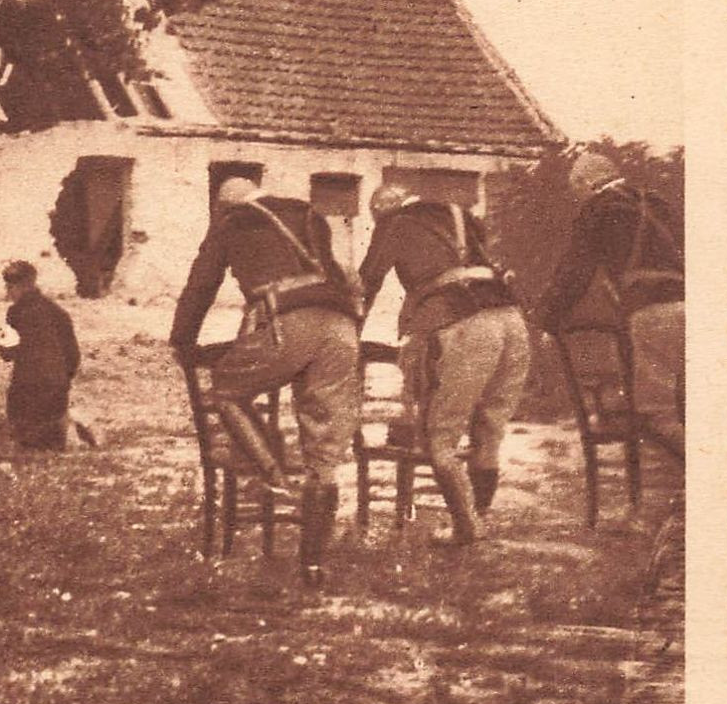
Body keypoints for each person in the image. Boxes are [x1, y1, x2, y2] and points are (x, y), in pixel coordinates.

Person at [169, 176, 361, 587]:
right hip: (342, 326)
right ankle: (312, 565)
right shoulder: (309, 215)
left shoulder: (231, 223)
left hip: (287, 321)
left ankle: (272, 476)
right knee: (324, 455)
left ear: (226, 205)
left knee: (227, 390)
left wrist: (182, 340)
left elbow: (201, 285)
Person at [358, 182, 531, 547]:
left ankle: (467, 529)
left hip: (465, 322)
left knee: (441, 438)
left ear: (382, 210)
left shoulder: (395, 223)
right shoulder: (460, 215)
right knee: (490, 432)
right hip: (512, 319)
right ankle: (476, 521)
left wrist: (351, 330)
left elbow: (368, 281)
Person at [537, 151, 684, 459]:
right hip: (692, 309)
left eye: (575, 190)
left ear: (584, 183)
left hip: (651, 314)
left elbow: (575, 272)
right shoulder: (657, 203)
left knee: (655, 416)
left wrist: (546, 320)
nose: (577, 197)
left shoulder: (599, 207)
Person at [0, 260, 81, 450]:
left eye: (10, 287)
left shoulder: (14, 313)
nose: (8, 292)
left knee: (26, 438)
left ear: (20, 287)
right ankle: (59, 430)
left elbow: (6, 353)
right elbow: (73, 355)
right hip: (57, 392)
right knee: (50, 439)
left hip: (26, 392)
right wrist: (64, 380)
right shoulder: (58, 312)